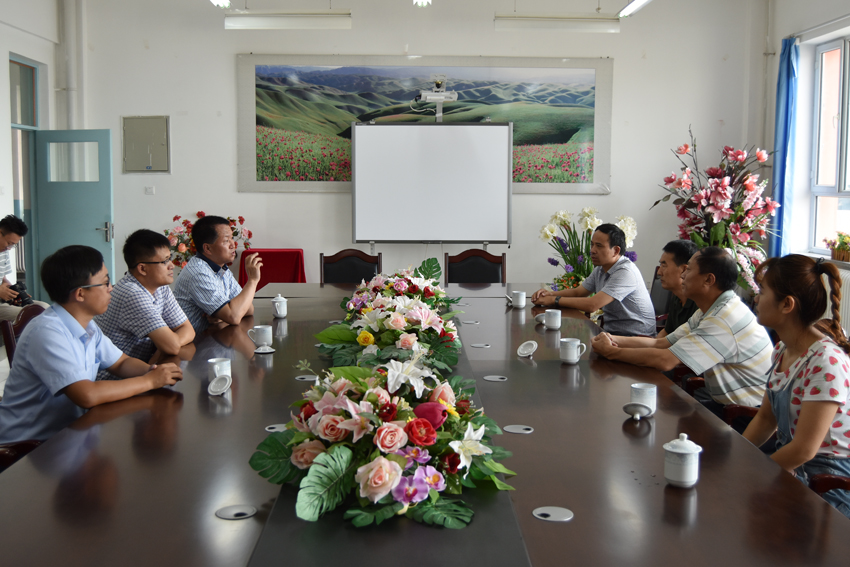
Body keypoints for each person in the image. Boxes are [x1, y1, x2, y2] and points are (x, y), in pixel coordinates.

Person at [0, 245, 183, 445]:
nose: (111, 288)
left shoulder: (87, 325)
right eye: (105, 283)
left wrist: (153, 370)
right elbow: (86, 395)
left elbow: (121, 363)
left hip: (70, 433)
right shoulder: (47, 332)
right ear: (80, 294)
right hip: (28, 447)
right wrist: (150, 381)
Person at [592, 246, 773, 412]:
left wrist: (611, 352)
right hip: (726, 404)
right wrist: (612, 338)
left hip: (746, 414)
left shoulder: (724, 317)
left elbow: (666, 360)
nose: (683, 275)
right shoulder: (710, 309)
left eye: (689, 270)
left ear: (709, 279)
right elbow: (662, 343)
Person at [742, 255, 850, 518]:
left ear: (787, 304)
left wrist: (754, 474)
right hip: (793, 467)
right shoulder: (782, 349)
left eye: (762, 292)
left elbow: (804, 449)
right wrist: (739, 459)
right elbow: (766, 419)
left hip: (828, 484)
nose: (755, 299)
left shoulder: (826, 362)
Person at [94, 229, 195, 379]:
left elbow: (187, 329)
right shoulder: (131, 293)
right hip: (113, 380)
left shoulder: (160, 287)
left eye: (170, 258)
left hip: (140, 371)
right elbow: (172, 346)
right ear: (142, 268)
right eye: (164, 261)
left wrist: (167, 343)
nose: (171, 265)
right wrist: (167, 343)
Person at [531, 223, 656, 337]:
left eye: (599, 246)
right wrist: (550, 294)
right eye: (592, 245)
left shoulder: (625, 272)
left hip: (636, 338)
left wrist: (554, 300)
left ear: (616, 250)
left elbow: (592, 305)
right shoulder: (601, 268)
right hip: (612, 335)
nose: (592, 250)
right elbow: (578, 292)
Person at [174, 215, 262, 333]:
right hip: (194, 342)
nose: (233, 245)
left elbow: (248, 309)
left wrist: (225, 316)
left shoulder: (221, 268)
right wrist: (253, 280)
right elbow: (234, 316)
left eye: (232, 238)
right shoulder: (198, 273)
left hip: (212, 336)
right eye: (226, 240)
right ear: (207, 248)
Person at [0, 214, 49, 320]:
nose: (9, 248)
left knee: (45, 308)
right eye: (9, 243)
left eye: (13, 245)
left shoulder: (3, 251)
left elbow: (3, 278)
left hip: (3, 301)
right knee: (33, 314)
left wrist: (14, 292)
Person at [656, 239, 700, 338]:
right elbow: (666, 332)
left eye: (664, 266)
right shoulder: (677, 298)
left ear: (684, 270)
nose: (659, 272)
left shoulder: (699, 303)